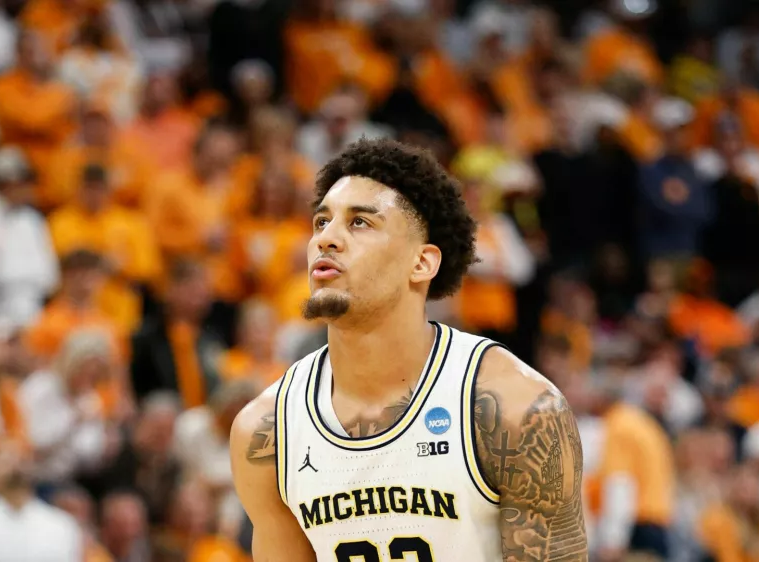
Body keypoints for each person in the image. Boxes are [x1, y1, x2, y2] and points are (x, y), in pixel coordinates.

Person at [230, 138, 586, 561]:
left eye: (359, 222)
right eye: (321, 222)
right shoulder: (265, 432)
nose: (326, 239)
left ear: (422, 263)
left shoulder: (517, 408)